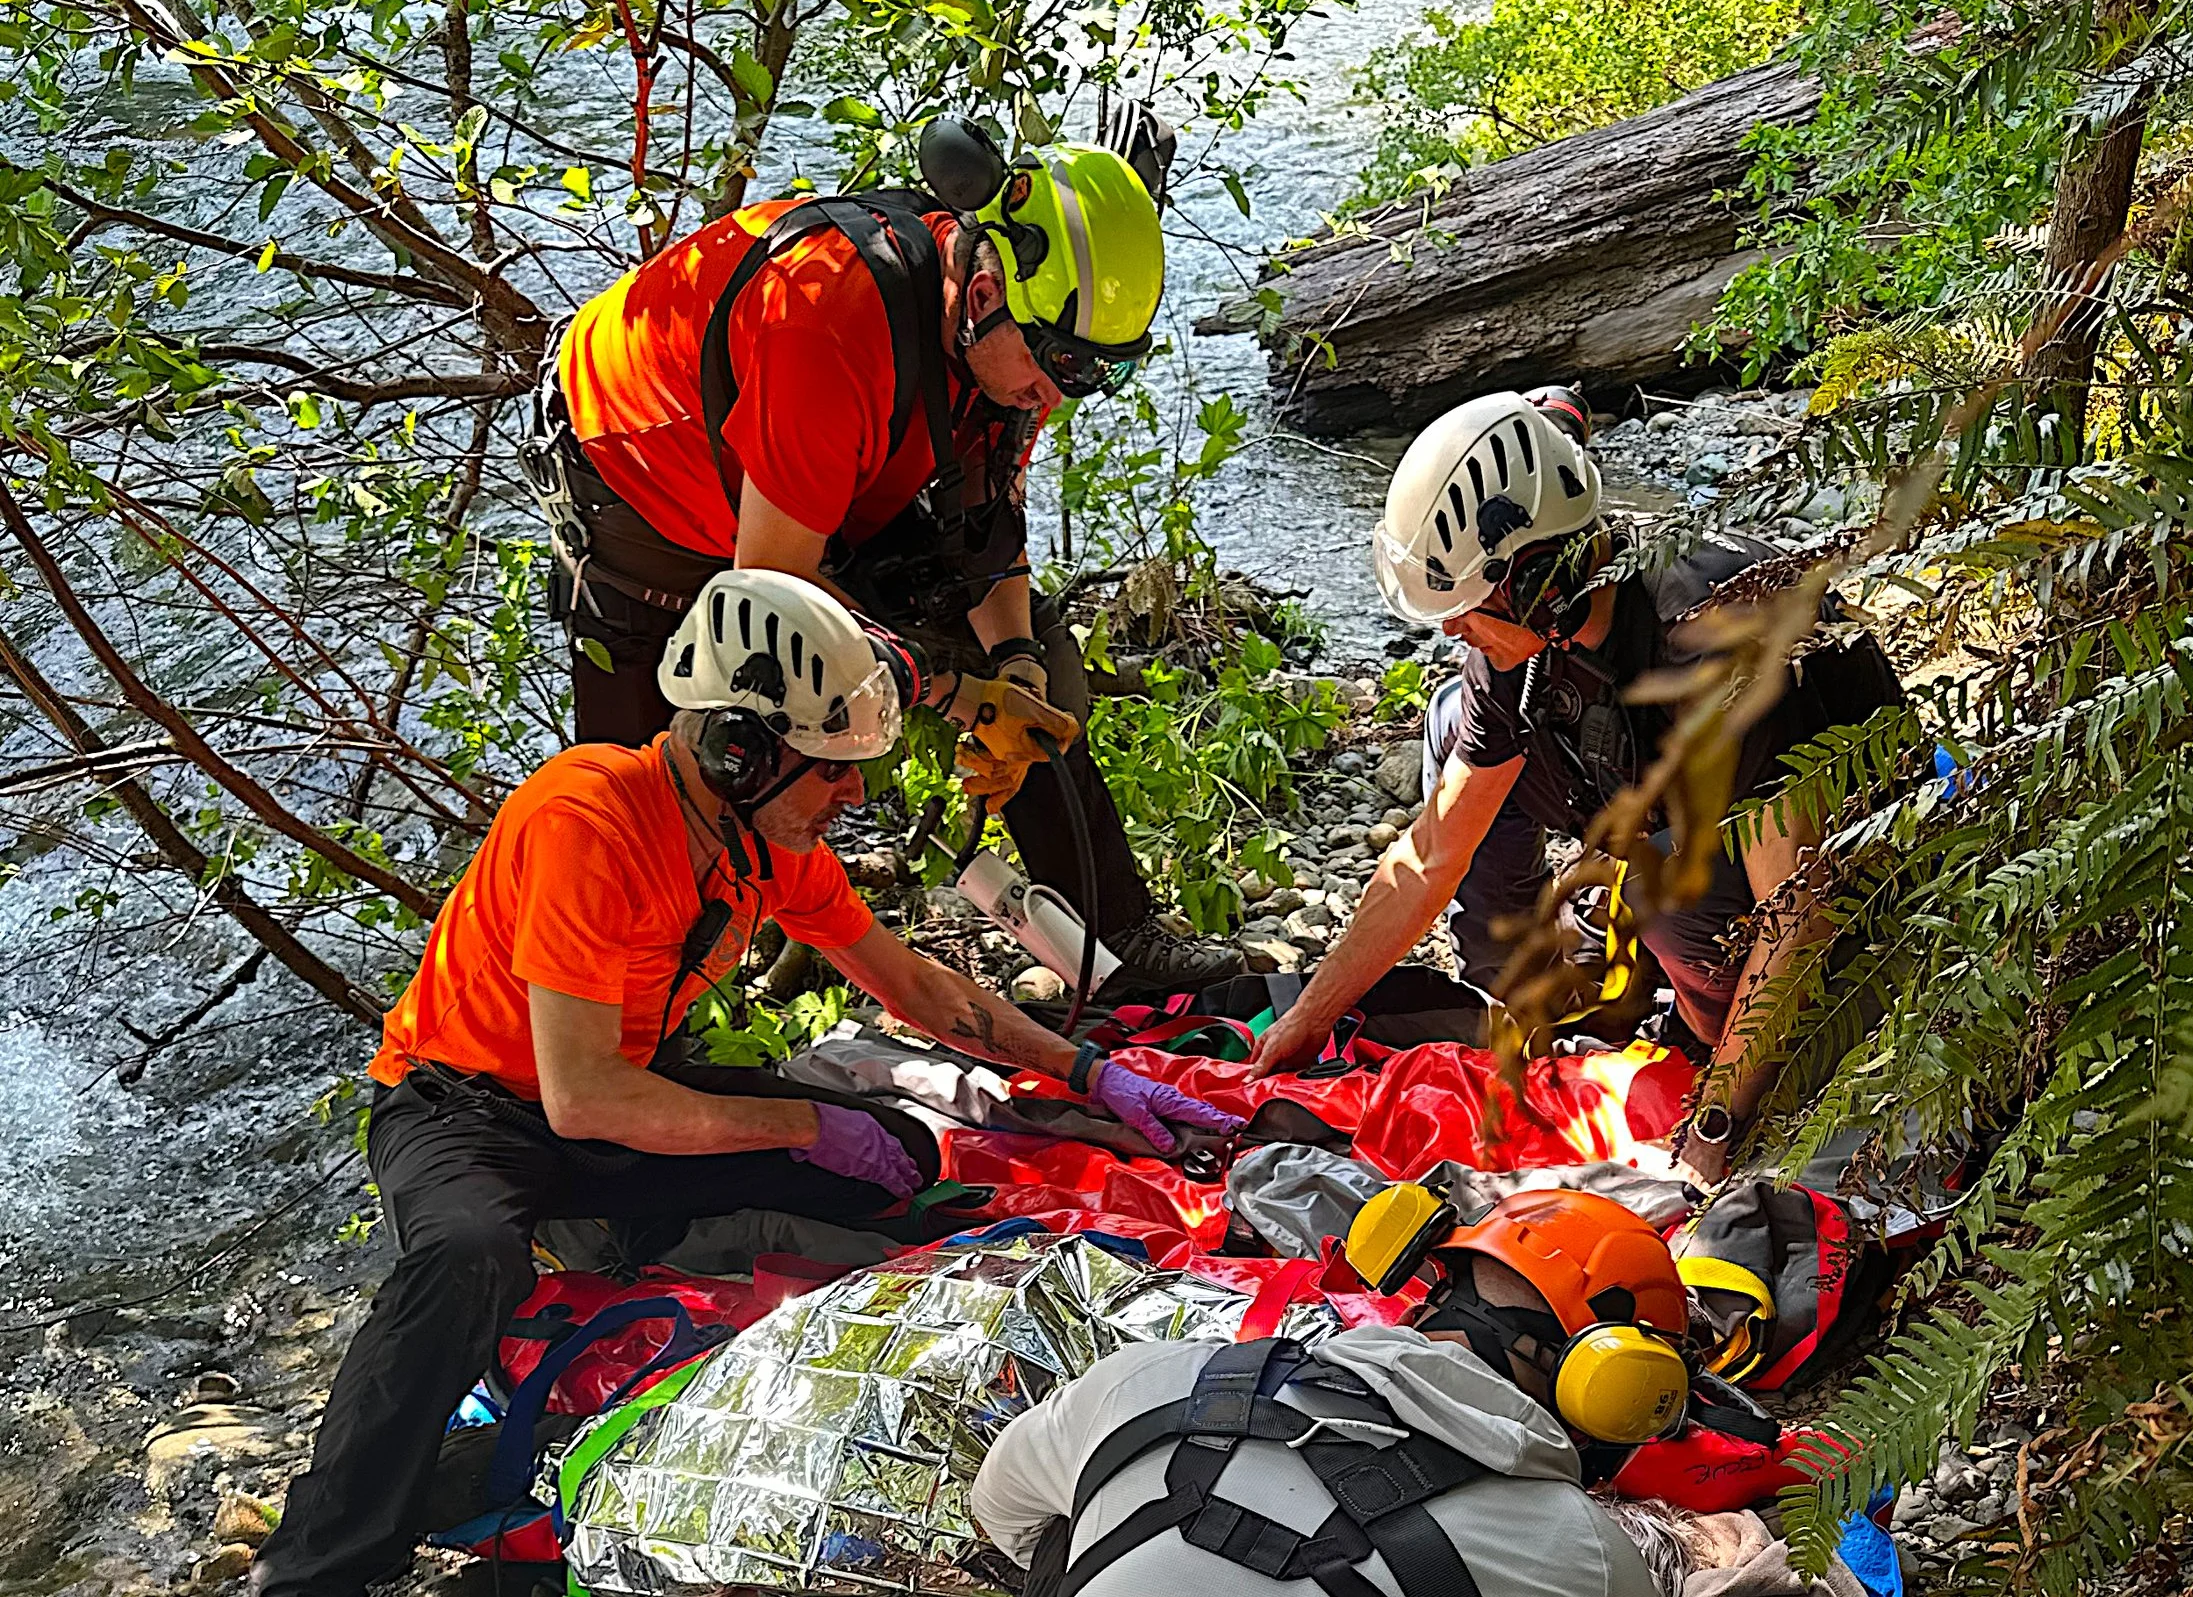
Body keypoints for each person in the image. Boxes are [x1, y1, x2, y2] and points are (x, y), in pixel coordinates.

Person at [251, 571, 1242, 1597]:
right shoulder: (586, 818)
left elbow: (911, 984)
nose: (851, 795)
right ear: (740, 750)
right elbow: (580, 1098)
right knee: (467, 1257)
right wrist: (793, 1120)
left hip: (624, 1092)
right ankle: (318, 1559)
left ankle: (622, 1229)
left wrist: (1090, 1071)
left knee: (893, 1159)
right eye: (829, 772)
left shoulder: (757, 842)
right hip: (466, 1107)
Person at [518, 113, 1237, 988]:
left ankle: (1120, 942)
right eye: (1062, 368)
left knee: (1044, 683)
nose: (1064, 392)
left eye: (1099, 373)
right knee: (666, 794)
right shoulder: (824, 324)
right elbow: (773, 611)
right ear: (982, 295)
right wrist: (956, 692)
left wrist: (1011, 671)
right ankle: (640, 1025)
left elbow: (986, 525)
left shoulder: (1024, 346)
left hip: (805, 479)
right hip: (643, 495)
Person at [1247, 389, 1904, 1182]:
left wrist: (1716, 1122)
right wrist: (1311, 1017)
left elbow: (1802, 909)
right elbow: (1431, 855)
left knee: (1667, 882)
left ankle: (1733, 1045)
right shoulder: (1520, 654)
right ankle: (1569, 1005)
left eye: (1465, 608)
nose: (1454, 629)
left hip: (1854, 916)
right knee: (1457, 722)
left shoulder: (1712, 638)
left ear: (1539, 580)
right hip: (1672, 849)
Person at [968, 1189, 1720, 1597]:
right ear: (1617, 1384)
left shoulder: (1147, 1379)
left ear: (1422, 1292)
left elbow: (999, 1508)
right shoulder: (1582, 1551)